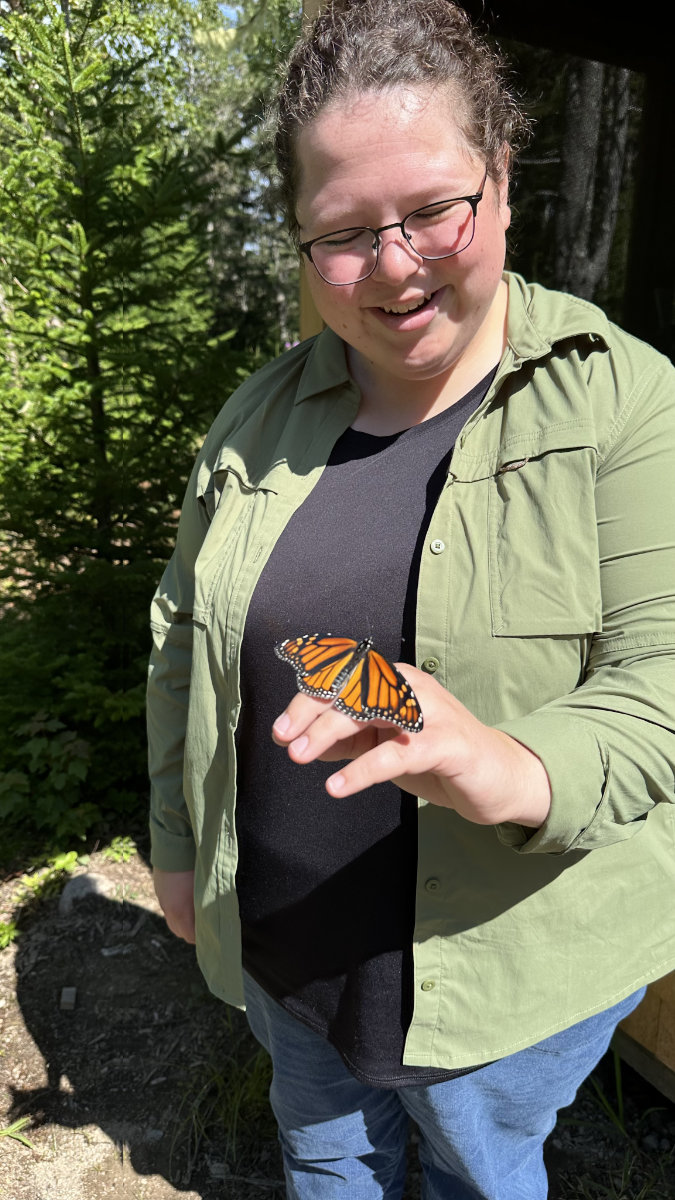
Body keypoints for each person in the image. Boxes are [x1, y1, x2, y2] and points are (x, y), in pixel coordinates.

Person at [147, 1, 675, 1196]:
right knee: (327, 1171)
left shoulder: (625, 405)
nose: (393, 265)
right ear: (300, 235)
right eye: (343, 232)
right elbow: (182, 636)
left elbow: (665, 682)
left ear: (499, 174)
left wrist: (505, 764)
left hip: (505, 987)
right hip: (288, 959)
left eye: (434, 209)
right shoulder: (258, 419)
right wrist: (178, 851)